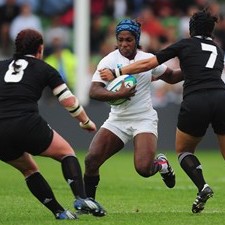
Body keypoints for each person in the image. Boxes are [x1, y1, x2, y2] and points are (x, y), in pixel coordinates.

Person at [100, 9, 225, 213]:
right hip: (221, 97)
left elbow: (150, 62)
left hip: (196, 100)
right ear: (211, 31)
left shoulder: (185, 44)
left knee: (184, 151)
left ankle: (202, 186)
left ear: (191, 30)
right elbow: (201, 69)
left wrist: (118, 72)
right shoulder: (218, 49)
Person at [0, 28, 106, 220]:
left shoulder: (1, 66)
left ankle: (60, 212)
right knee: (66, 153)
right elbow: (68, 100)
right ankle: (81, 198)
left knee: (29, 170)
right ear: (40, 49)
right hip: (26, 122)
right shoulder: (44, 68)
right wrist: (86, 121)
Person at [84, 18, 178, 204]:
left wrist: (196, 68)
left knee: (143, 169)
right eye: (120, 40)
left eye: (128, 40)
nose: (124, 44)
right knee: (91, 160)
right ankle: (89, 203)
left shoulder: (147, 60)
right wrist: (118, 94)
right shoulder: (108, 61)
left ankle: (160, 164)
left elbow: (172, 77)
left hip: (143, 118)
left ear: (137, 39)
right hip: (117, 119)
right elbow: (93, 91)